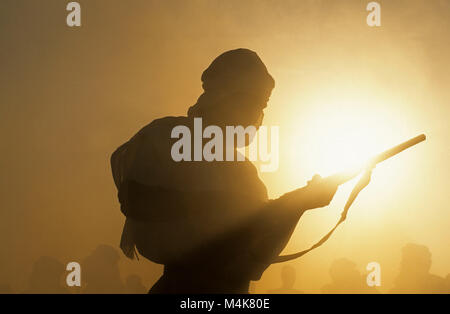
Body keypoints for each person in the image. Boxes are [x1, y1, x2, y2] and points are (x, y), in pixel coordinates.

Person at [111, 48, 339, 293]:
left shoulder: (173, 140)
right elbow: (240, 247)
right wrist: (300, 203)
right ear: (230, 98)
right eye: (255, 103)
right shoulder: (210, 159)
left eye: (262, 106)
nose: (258, 115)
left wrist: (297, 202)